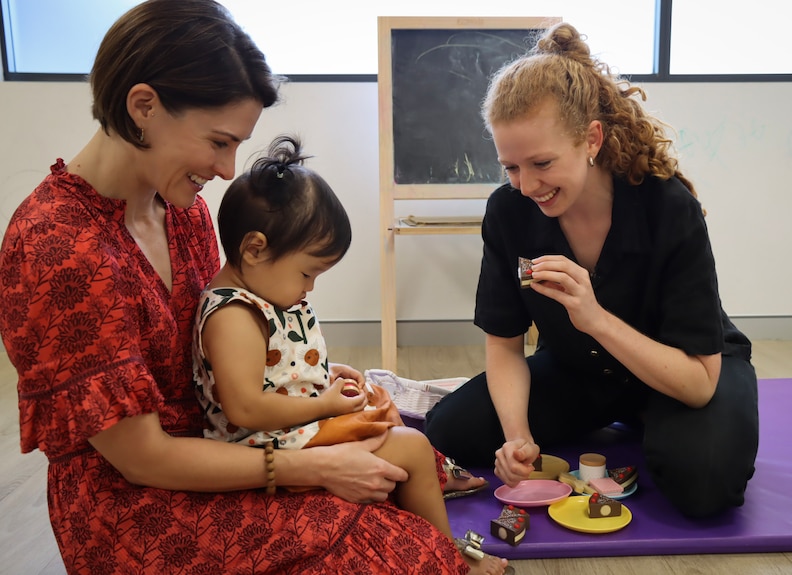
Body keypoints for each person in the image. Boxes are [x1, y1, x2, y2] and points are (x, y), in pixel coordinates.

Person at [0, 1, 506, 573]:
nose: (226, 168)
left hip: (225, 447)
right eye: (218, 142)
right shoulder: (58, 247)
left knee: (394, 473)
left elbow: (222, 358)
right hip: (136, 506)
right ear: (144, 107)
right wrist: (309, 465)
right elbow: (140, 460)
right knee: (384, 547)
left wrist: (305, 383)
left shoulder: (180, 213)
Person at [424, 22, 759, 519]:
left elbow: (698, 383)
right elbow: (504, 344)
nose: (527, 184)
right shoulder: (509, 212)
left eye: (541, 162)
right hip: (582, 370)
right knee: (448, 433)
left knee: (706, 485)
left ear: (591, 139)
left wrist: (595, 316)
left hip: (681, 371)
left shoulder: (668, 207)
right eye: (511, 167)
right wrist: (518, 437)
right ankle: (624, 415)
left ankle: (649, 417)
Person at [192, 134, 506, 574]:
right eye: (307, 272)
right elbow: (243, 407)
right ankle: (449, 553)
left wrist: (326, 373)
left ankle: (426, 497)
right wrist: (324, 403)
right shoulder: (234, 316)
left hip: (286, 428)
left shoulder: (262, 294)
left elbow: (276, 366)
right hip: (263, 443)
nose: (310, 287)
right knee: (412, 446)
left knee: (383, 411)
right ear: (254, 248)